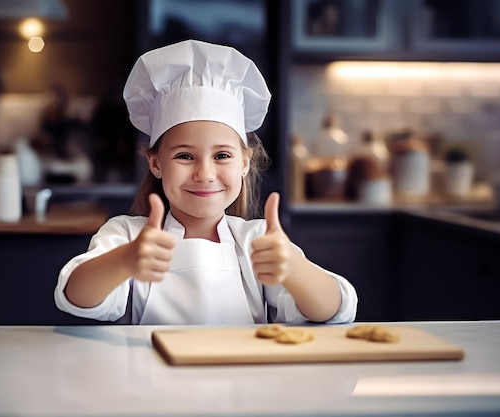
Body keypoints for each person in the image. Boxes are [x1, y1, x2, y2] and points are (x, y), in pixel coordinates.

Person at [54, 39, 357, 325]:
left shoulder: (257, 241)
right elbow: (76, 296)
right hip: (149, 379)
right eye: (185, 156)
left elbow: (333, 310)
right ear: (156, 163)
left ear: (244, 162)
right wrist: (125, 260)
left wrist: (294, 269)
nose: (205, 173)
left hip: (244, 380)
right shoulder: (128, 236)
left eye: (222, 155)